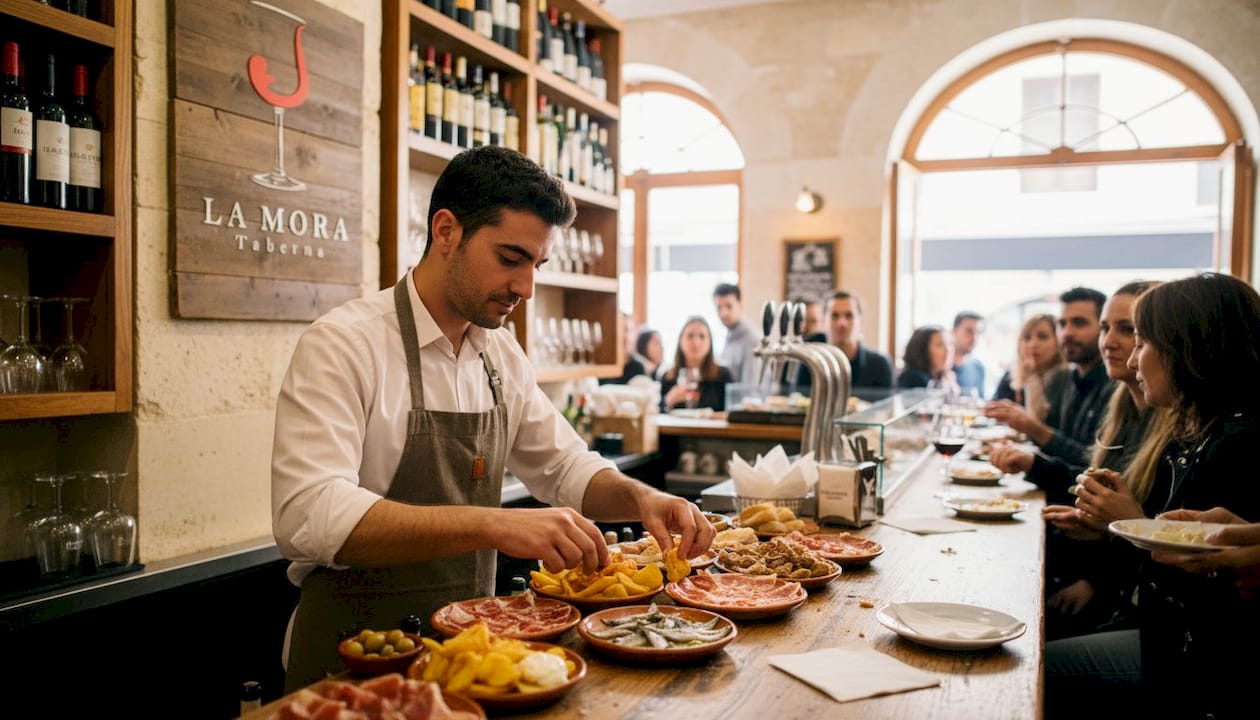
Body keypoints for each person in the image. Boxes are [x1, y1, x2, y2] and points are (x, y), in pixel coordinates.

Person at [271, 146, 714, 691]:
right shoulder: (344, 343)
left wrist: (641, 498)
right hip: (353, 665)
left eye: (536, 265)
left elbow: (566, 468)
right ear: (446, 230)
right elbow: (308, 515)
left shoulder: (499, 355)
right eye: (510, 258)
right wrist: (493, 523)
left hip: (470, 664)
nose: (526, 288)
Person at [1044, 273, 1260, 719]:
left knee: (1034, 669)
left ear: (1190, 349)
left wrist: (1126, 526)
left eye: (1142, 341)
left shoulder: (1236, 444)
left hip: (1194, 664)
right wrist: (1111, 527)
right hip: (1161, 636)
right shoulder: (1198, 435)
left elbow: (1200, 589)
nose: (1134, 358)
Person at [1034, 281, 1175, 639]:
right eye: (1105, 329)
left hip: (1136, 609)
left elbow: (1177, 553)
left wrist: (1095, 581)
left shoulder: (1176, 428)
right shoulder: (1122, 406)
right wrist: (1098, 527)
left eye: (1130, 332)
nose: (1109, 342)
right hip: (1114, 586)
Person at [986, 287, 1114, 505]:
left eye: (1079, 323)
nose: (1067, 333)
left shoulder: (1113, 387)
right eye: (1062, 324)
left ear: (1102, 329)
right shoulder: (1072, 379)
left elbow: (1094, 464)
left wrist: (1032, 437)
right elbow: (1060, 449)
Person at [991, 313, 1066, 422]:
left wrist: (1033, 379)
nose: (1033, 344)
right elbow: (992, 410)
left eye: (1042, 337)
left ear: (1058, 341)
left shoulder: (1066, 379)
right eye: (1027, 338)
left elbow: (1039, 427)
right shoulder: (1011, 375)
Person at [826, 290, 893, 401]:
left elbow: (886, 411)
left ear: (860, 321)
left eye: (849, 316)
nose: (842, 323)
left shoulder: (880, 364)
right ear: (824, 321)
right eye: (834, 316)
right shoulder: (811, 365)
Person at [659, 316, 734, 412]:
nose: (696, 342)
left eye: (702, 336)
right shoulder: (668, 377)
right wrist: (668, 400)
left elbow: (732, 412)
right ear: (680, 340)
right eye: (690, 336)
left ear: (710, 342)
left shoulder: (722, 375)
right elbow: (655, 414)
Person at [713, 283, 761, 386]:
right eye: (719, 308)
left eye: (729, 306)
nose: (724, 313)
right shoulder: (729, 336)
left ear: (740, 305)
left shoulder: (752, 340)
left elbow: (751, 388)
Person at [950, 311, 985, 394]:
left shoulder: (978, 368)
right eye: (969, 331)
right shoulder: (938, 369)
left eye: (978, 332)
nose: (974, 338)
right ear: (954, 332)